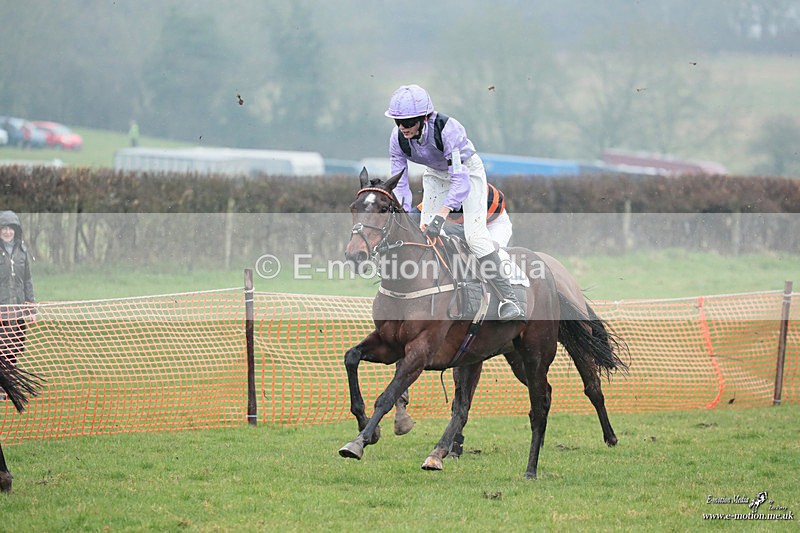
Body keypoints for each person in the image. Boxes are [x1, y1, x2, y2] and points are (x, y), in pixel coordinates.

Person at [385, 84, 524, 321]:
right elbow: (400, 183)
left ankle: (508, 299)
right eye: (398, 122)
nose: (402, 128)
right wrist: (403, 212)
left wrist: (441, 216)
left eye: (408, 122)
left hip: (467, 173)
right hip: (435, 175)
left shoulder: (448, 130)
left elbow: (459, 182)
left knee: (475, 237)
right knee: (422, 235)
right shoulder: (397, 139)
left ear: (423, 118)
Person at [410, 182, 512, 249]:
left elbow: (470, 231)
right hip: (471, 223)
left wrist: (438, 231)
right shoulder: (437, 197)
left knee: (492, 252)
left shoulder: (471, 197)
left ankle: (513, 280)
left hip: (495, 224)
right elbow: (412, 216)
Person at [0, 211, 36, 377]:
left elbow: (27, 281)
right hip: (2, 310)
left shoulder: (22, 251)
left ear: (16, 230)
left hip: (18, 310)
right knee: (1, 349)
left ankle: (10, 385)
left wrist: (31, 309)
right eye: (4, 228)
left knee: (13, 349)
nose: (7, 232)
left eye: (10, 228)